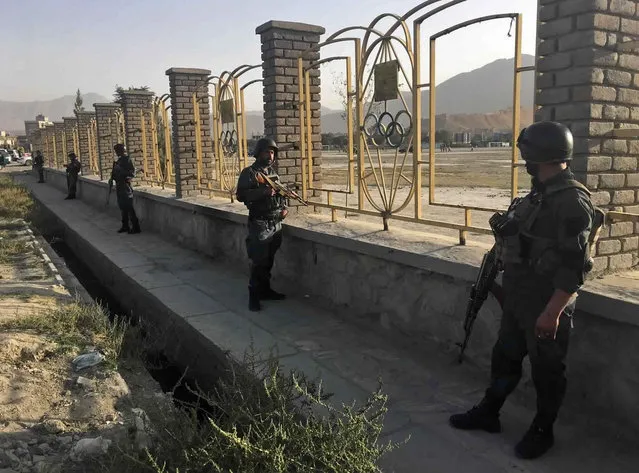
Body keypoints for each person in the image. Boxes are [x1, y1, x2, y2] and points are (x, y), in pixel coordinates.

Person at [449, 121, 597, 460]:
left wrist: (552, 312)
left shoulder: (572, 202)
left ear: (540, 155)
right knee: (505, 358)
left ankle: (543, 430)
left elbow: (575, 267)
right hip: (518, 299)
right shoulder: (537, 194)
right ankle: (490, 412)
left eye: (527, 153)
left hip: (546, 305)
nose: (523, 159)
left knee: (546, 372)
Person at [236, 137, 288, 312]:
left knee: (269, 260)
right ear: (259, 153)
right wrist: (263, 192)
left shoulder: (273, 174)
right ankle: (254, 294)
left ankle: (265, 290)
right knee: (258, 261)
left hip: (275, 222)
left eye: (273, 152)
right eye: (267, 151)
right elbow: (241, 195)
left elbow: (281, 194)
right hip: (259, 222)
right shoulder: (249, 173)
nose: (270, 155)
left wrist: (284, 208)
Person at [109, 143, 140, 234]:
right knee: (123, 207)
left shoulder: (128, 160)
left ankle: (135, 227)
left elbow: (132, 173)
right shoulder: (118, 161)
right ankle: (125, 225)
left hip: (126, 187)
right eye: (116, 151)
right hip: (119, 186)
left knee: (129, 207)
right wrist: (112, 177)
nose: (117, 152)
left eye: (118, 151)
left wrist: (120, 170)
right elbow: (115, 174)